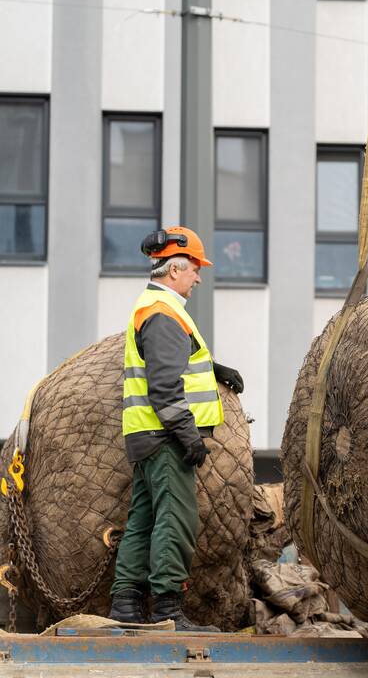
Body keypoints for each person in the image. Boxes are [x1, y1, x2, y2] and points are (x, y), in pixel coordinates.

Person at [107, 227, 244, 631]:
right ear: (175, 270)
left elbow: (168, 364)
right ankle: (167, 612)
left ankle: (126, 607)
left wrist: (213, 368)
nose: (199, 278)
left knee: (144, 520)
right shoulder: (164, 313)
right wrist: (188, 435)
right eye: (196, 270)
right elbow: (164, 386)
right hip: (166, 437)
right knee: (176, 518)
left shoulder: (152, 308)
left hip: (146, 435)